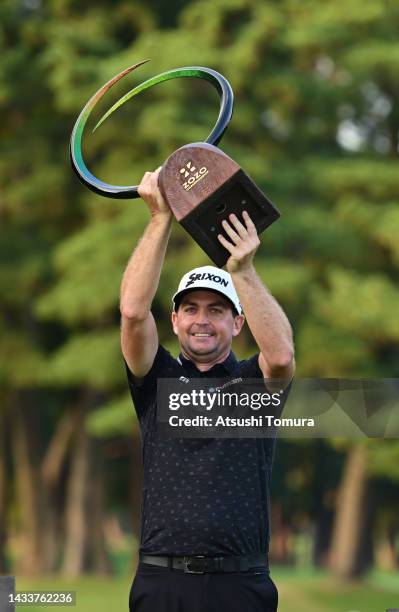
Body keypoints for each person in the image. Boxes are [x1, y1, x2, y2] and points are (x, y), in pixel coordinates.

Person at [120, 168, 295, 612]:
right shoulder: (156, 379)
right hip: (162, 583)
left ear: (238, 324)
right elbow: (133, 314)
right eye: (191, 308)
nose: (202, 319)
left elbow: (281, 358)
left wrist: (243, 270)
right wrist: (160, 219)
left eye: (217, 310)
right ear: (175, 321)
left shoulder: (254, 384)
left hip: (241, 584)